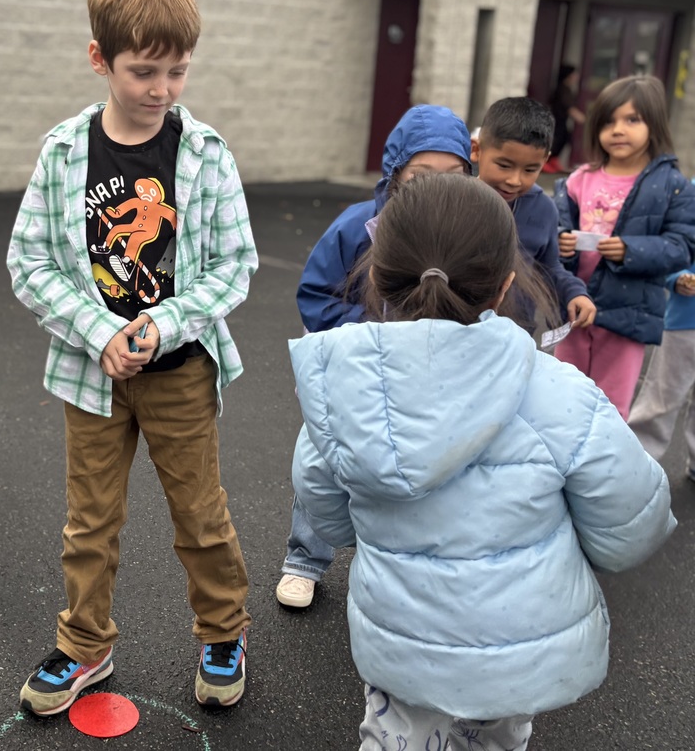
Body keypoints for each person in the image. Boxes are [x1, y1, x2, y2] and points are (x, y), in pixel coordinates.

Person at [290, 172, 675, 750]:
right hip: (520, 655)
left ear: (377, 277)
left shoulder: (340, 393)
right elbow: (630, 529)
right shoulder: (562, 394)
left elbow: (329, 515)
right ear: (505, 287)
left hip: (402, 642)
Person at [7, 0, 256, 716]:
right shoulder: (63, 151)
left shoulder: (205, 153)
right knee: (90, 520)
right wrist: (101, 331)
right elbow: (30, 260)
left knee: (199, 513)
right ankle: (86, 644)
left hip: (178, 370)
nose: (162, 89)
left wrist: (162, 323)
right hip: (91, 374)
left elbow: (234, 266)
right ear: (99, 60)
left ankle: (223, 632)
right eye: (143, 71)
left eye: (177, 71)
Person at [277, 104, 473, 609]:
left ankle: (392, 565)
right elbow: (316, 294)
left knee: (410, 474)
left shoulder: (465, 228)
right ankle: (305, 559)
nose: (436, 187)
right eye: (422, 175)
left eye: (453, 175)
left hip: (426, 380)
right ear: (396, 173)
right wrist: (365, 338)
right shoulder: (357, 226)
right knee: (322, 461)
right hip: (353, 371)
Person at [555, 74, 695, 419]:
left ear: (654, 124)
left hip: (627, 314)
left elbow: (681, 246)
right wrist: (562, 242)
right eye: (608, 121)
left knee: (610, 406)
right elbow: (555, 229)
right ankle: (559, 465)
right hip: (574, 305)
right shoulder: (578, 179)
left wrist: (630, 250)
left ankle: (601, 471)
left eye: (632, 120)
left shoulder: (672, 185)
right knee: (561, 394)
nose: (618, 130)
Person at [473, 96, 596, 329]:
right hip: (457, 328)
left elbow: (549, 268)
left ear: (545, 161)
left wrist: (575, 293)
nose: (514, 180)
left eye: (530, 169)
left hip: (516, 333)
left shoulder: (544, 209)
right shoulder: (453, 198)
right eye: (504, 165)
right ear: (477, 150)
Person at [628, 259, 695, 480]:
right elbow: (668, 252)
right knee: (661, 399)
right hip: (686, 321)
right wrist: (677, 278)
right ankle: (632, 464)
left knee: (661, 398)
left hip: (684, 320)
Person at [544, 64, 585, 173]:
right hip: (556, 121)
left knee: (565, 138)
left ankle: (553, 161)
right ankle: (546, 162)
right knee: (556, 141)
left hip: (562, 121)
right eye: (575, 74)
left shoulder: (568, 89)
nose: (577, 77)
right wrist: (584, 119)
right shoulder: (562, 89)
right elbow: (569, 107)